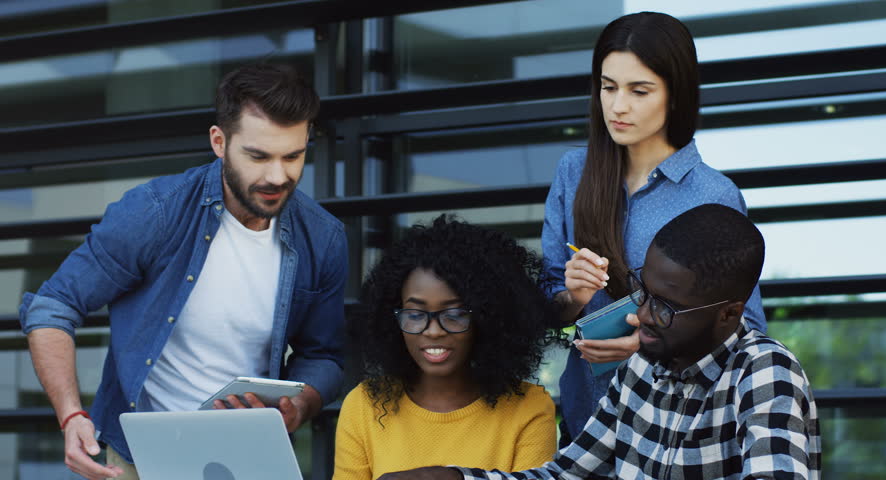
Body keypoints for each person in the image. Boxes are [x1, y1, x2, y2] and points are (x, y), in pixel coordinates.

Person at [18, 63, 348, 480]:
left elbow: (324, 355)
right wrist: (71, 417)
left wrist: (301, 404)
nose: (276, 175)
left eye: (293, 156)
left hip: (244, 458)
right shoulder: (154, 212)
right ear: (219, 141)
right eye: (258, 156)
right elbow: (53, 306)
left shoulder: (323, 238)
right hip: (137, 459)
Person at [378, 203, 821, 480]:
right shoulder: (640, 368)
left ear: (729, 312)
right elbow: (567, 474)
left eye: (666, 307)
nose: (642, 315)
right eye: (642, 290)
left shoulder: (765, 373)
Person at [541, 11, 767, 440]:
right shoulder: (574, 173)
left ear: (676, 95)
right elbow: (544, 305)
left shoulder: (713, 194)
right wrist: (571, 296)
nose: (617, 105)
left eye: (639, 90)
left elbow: (745, 329)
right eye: (608, 87)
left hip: (674, 427)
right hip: (586, 417)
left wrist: (648, 346)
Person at [333, 215, 560, 480]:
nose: (433, 330)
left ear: (487, 318)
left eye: (453, 314)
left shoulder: (529, 408)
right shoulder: (364, 405)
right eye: (416, 315)